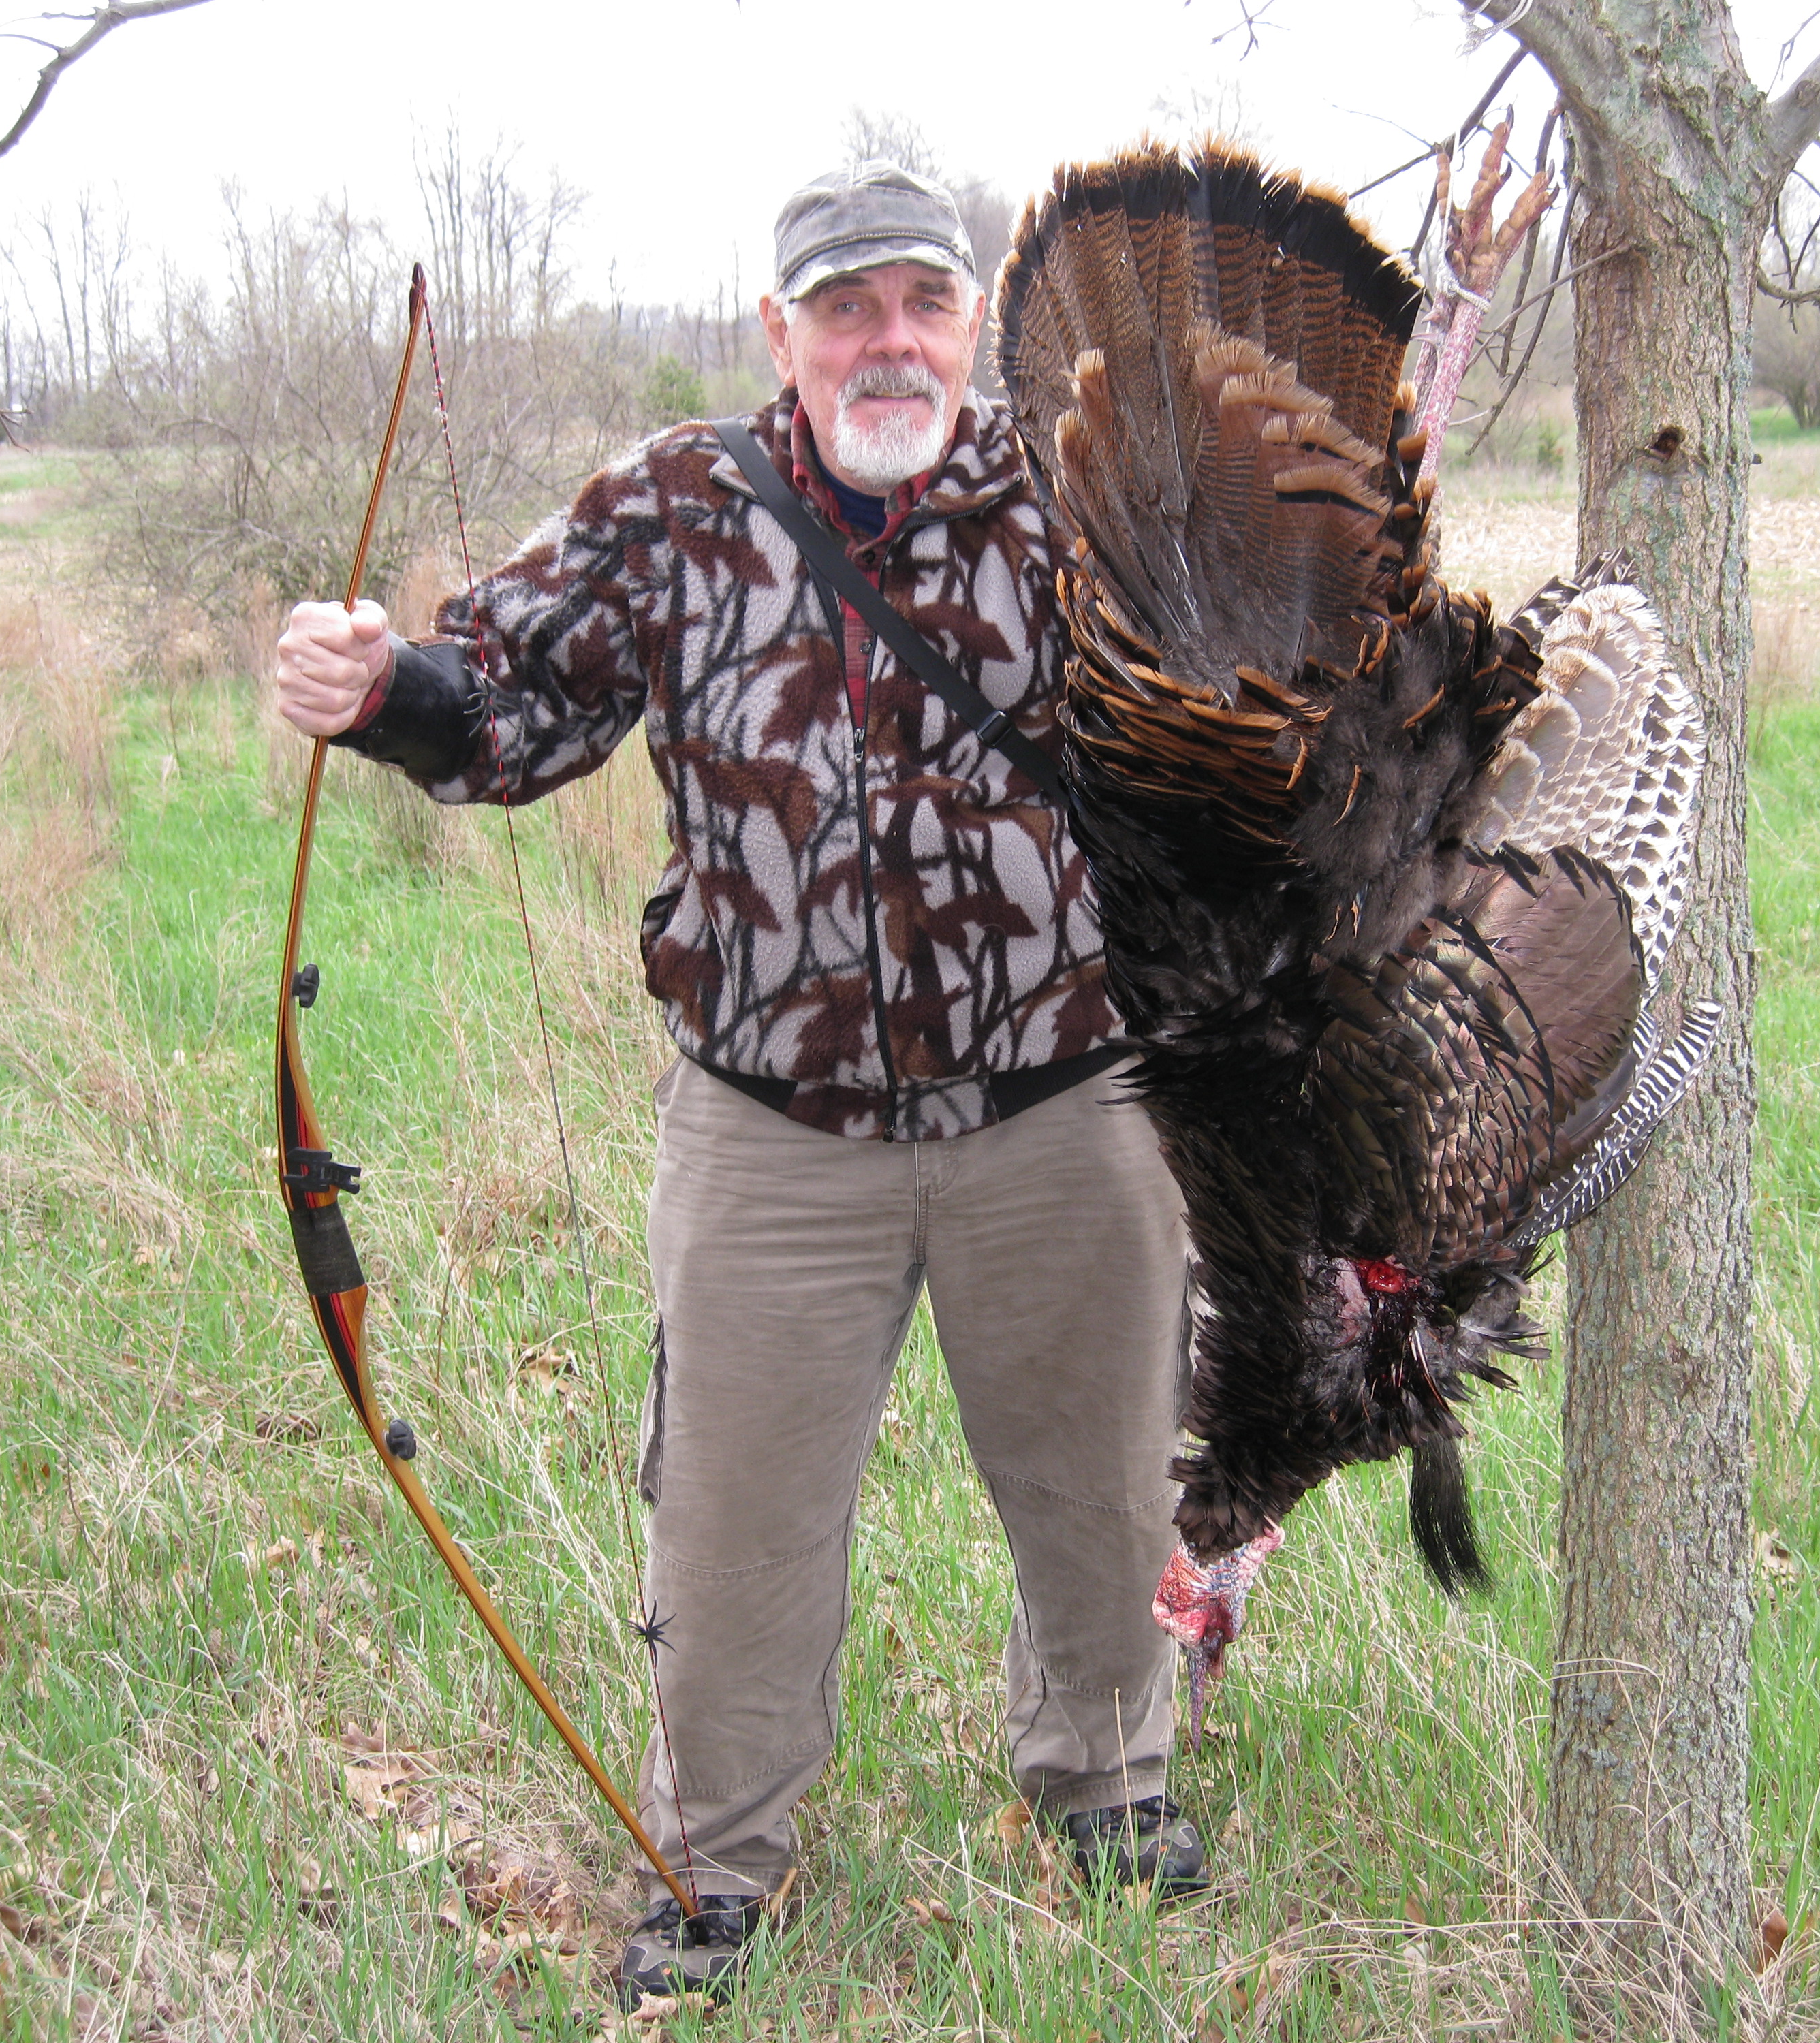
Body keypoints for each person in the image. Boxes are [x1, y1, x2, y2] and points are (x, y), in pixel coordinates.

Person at [272, 160, 1202, 2008]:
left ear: (980, 319)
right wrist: (375, 687)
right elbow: (510, 701)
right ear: (778, 332)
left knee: (1103, 1489)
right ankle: (722, 1868)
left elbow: (1263, 704)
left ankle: (1106, 1787)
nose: (889, 341)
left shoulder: (1094, 493)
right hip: (773, 1135)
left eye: (923, 303)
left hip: (1070, 1115)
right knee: (731, 1520)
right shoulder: (683, 504)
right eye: (844, 307)